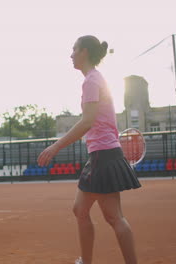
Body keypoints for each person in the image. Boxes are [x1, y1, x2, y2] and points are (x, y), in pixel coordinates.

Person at [37, 35, 141, 264]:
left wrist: (55, 147)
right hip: (103, 154)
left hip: (103, 156)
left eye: (74, 49)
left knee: (113, 218)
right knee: (83, 211)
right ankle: (86, 260)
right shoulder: (95, 79)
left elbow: (87, 121)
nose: (71, 54)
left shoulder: (91, 81)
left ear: (84, 52)